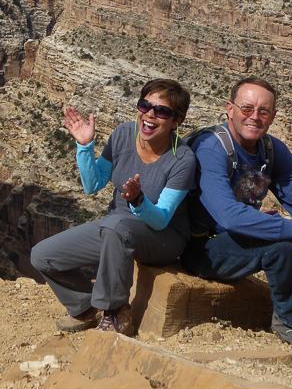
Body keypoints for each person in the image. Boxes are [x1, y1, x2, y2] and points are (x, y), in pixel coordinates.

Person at [182, 76, 292, 351]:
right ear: (230, 109)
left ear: (273, 116)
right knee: (279, 244)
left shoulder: (273, 150)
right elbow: (229, 216)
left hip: (243, 240)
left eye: (263, 111)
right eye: (247, 108)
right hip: (203, 248)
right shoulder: (212, 147)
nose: (254, 117)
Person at [30, 79, 195, 335]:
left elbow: (161, 219)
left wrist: (138, 201)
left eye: (161, 111)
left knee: (116, 226)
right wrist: (85, 145)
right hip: (115, 228)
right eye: (145, 106)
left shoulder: (182, 159)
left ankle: (116, 312)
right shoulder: (123, 134)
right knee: (43, 256)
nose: (150, 115)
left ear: (176, 121)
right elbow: (93, 184)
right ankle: (85, 308)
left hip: (163, 238)